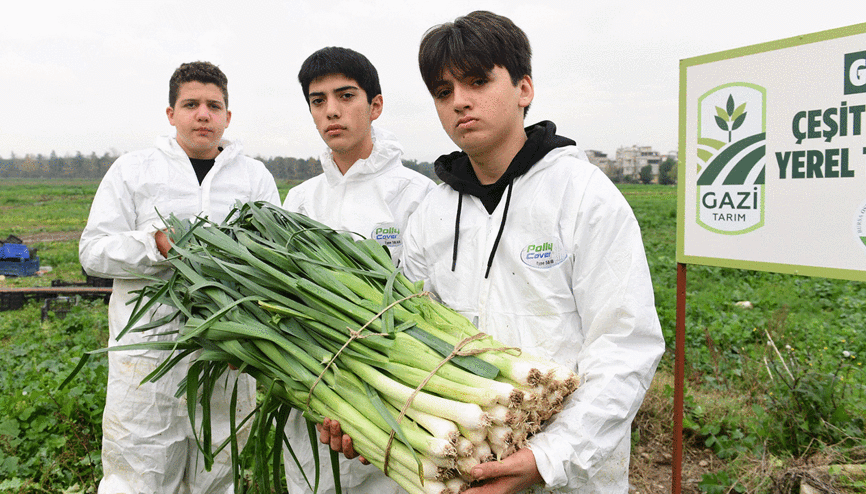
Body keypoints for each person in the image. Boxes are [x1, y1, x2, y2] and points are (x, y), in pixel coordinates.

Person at [397, 11, 665, 493]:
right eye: (443, 92)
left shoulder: (583, 196)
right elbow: (410, 338)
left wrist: (546, 457)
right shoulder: (432, 214)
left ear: (524, 89)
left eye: (478, 81)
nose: (460, 102)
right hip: (467, 467)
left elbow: (625, 346)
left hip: (572, 476)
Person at [79, 61, 281, 493]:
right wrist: (155, 245)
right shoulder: (133, 171)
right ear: (171, 114)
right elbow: (93, 252)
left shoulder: (254, 178)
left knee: (218, 475)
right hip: (147, 363)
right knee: (138, 478)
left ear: (228, 116)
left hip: (226, 359)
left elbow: (272, 265)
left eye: (214, 105)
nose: (203, 114)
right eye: (191, 104)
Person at [281, 46, 435, 494]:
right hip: (315, 401)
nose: (331, 111)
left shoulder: (416, 195)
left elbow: (432, 301)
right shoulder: (299, 202)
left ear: (375, 105)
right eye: (317, 100)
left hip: (394, 401)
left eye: (346, 95)